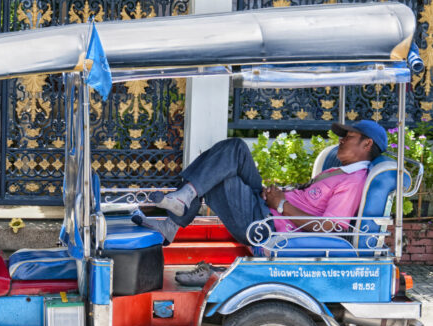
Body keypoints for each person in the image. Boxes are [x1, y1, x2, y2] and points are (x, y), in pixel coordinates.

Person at [132, 120, 387, 286]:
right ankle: (178, 210)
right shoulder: (339, 171)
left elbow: (330, 228)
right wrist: (279, 195)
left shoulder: (353, 182)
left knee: (223, 168)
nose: (341, 141)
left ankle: (178, 210)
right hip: (266, 209)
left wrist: (280, 205)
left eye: (349, 137)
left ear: (367, 144)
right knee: (235, 149)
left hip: (268, 226)